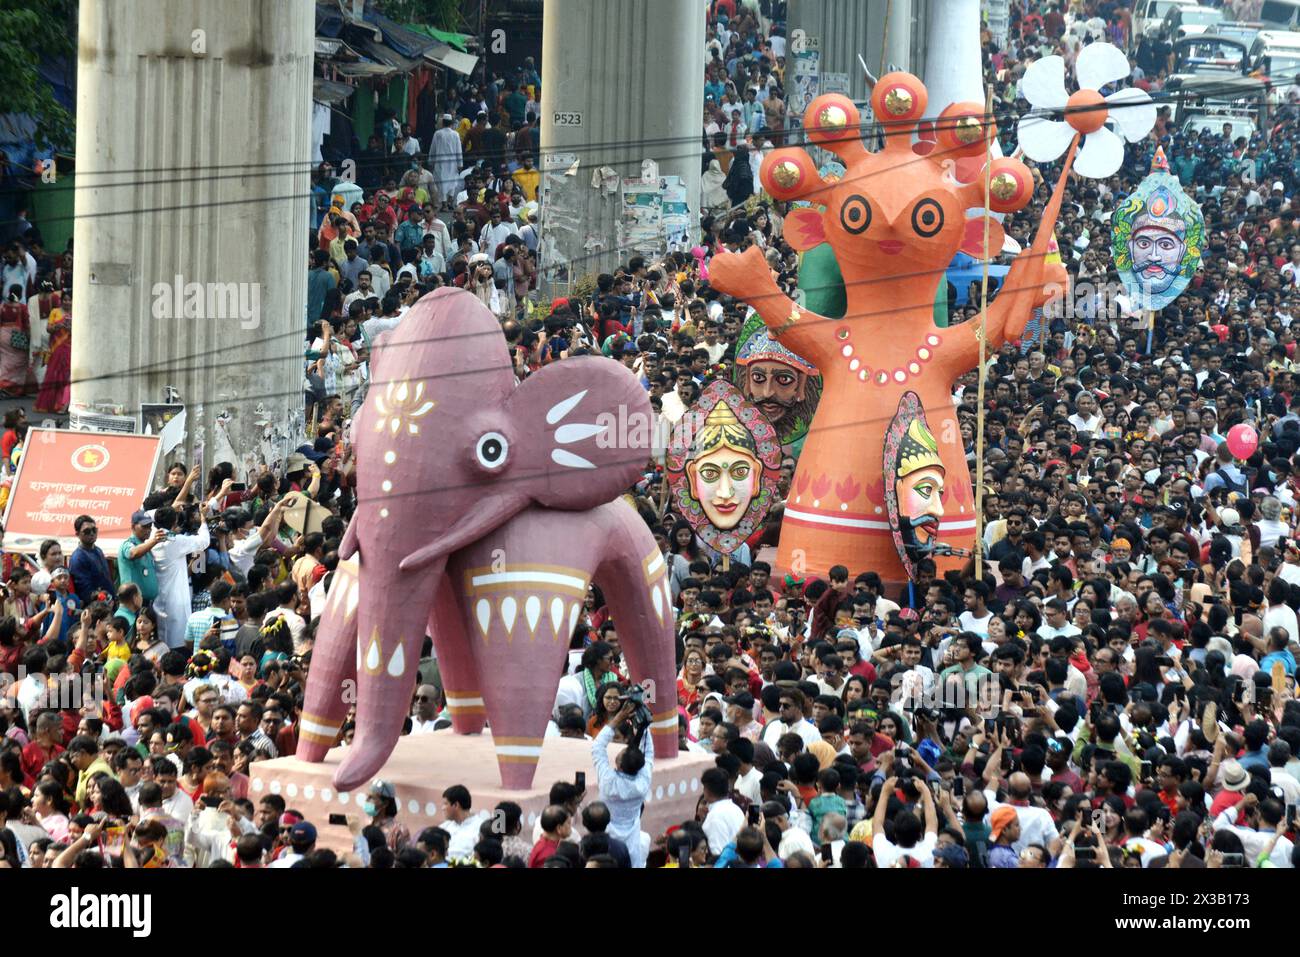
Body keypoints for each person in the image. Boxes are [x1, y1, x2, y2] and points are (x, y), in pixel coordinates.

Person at [591, 702, 654, 867]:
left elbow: (597, 746)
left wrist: (618, 718)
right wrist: (644, 726)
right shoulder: (642, 783)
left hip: (606, 846)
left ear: (618, 763)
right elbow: (648, 752)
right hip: (632, 847)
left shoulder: (608, 781)